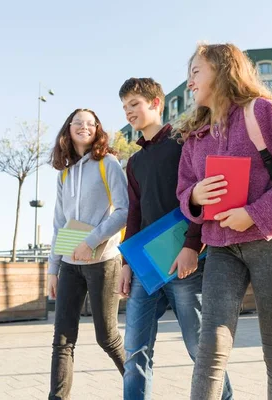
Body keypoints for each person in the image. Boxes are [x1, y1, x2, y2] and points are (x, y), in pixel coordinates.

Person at [175, 43, 272, 400]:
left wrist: (254, 214)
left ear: (223, 69)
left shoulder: (262, 112)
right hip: (222, 250)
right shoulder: (193, 139)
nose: (190, 83)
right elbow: (183, 193)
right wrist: (194, 195)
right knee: (210, 348)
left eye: (196, 72)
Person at [118, 77, 233, 400]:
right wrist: (126, 263)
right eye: (125, 107)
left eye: (134, 104)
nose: (128, 112)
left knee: (200, 347)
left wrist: (192, 246)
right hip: (145, 267)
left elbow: (203, 197)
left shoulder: (184, 143)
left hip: (183, 261)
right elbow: (134, 214)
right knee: (135, 349)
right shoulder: (135, 162)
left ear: (156, 103)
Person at [47, 108, 129, 400]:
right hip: (69, 263)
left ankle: (138, 388)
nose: (84, 126)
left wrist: (91, 241)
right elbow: (59, 223)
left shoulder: (109, 164)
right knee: (62, 340)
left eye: (90, 123)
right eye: (78, 122)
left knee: (107, 337)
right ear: (68, 128)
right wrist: (53, 269)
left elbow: (123, 211)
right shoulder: (65, 174)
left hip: (103, 262)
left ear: (97, 129)